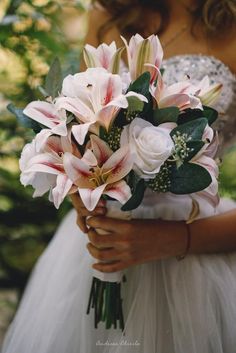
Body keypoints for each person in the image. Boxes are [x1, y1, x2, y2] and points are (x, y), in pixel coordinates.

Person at [1, 1, 236, 352]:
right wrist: (81, 198)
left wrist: (176, 239)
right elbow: (79, 133)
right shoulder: (108, 12)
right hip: (96, 249)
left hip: (198, 259)